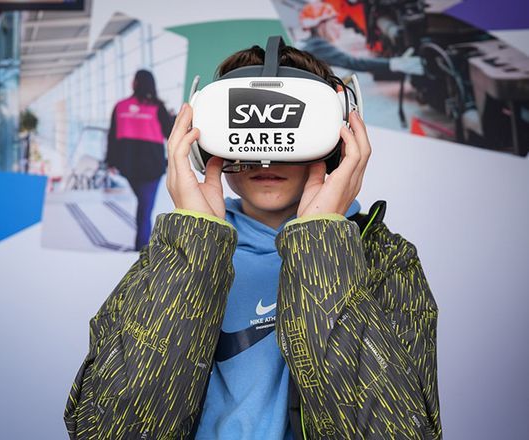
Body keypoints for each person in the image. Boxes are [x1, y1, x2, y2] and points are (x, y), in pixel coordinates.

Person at [64, 44, 442, 439]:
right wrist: (195, 243)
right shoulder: (176, 253)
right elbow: (105, 431)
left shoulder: (385, 259)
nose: (266, 155)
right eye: (242, 127)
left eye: (290, 126)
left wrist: (321, 241)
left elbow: (399, 431)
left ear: (338, 136)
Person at [105, 69, 174, 251]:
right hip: (152, 168)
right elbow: (171, 134)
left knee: (143, 206)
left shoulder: (120, 106)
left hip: (128, 166)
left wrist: (110, 162)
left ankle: (141, 247)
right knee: (145, 210)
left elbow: (111, 136)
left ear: (135, 83)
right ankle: (141, 250)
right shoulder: (158, 107)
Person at [298, 1, 424, 76]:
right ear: (322, 25)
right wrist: (394, 64)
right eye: (334, 22)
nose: (337, 26)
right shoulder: (318, 46)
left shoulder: (307, 45)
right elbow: (354, 63)